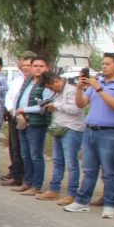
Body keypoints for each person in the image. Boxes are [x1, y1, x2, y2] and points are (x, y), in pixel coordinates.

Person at [64, 53, 114, 217]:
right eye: (103, 63)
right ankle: (82, 201)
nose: (104, 66)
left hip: (110, 133)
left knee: (109, 171)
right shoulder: (98, 82)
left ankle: (109, 204)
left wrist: (98, 88)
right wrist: (79, 89)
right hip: (90, 131)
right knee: (89, 169)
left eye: (108, 64)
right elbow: (81, 103)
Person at [37, 72, 85, 205]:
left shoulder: (72, 89)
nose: (52, 90)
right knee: (57, 161)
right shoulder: (57, 93)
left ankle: (72, 193)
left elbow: (76, 109)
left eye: (51, 87)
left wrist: (56, 105)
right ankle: (54, 189)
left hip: (72, 128)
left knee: (71, 163)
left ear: (56, 81)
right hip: (58, 128)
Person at [12, 56, 54, 195]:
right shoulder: (28, 81)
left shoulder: (47, 84)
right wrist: (17, 111)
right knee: (25, 154)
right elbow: (18, 98)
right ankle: (27, 182)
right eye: (35, 66)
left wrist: (24, 109)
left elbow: (43, 106)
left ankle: (36, 185)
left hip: (36, 123)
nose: (37, 68)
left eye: (41, 66)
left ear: (46, 68)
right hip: (23, 121)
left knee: (35, 155)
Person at [1, 53, 35, 187]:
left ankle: (28, 177)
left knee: (26, 149)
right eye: (23, 65)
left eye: (28, 65)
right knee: (14, 146)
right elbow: (9, 97)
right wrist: (11, 110)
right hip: (14, 116)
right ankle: (16, 175)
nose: (25, 67)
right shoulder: (17, 81)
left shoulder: (35, 82)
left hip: (29, 117)